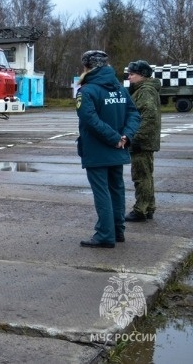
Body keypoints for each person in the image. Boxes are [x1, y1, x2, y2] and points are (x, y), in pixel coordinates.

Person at [76, 50, 140, 248]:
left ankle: (105, 234)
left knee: (102, 192)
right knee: (116, 190)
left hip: (97, 150)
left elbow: (89, 119)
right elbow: (133, 114)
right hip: (118, 148)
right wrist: (125, 136)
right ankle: (118, 230)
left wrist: (115, 138)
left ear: (87, 67)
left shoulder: (87, 91)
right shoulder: (120, 89)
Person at [125, 60, 162, 222]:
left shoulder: (145, 91)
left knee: (141, 176)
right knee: (146, 175)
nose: (129, 77)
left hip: (142, 141)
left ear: (143, 75)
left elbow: (148, 117)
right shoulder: (144, 89)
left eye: (132, 74)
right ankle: (149, 207)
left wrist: (136, 138)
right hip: (145, 140)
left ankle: (141, 209)